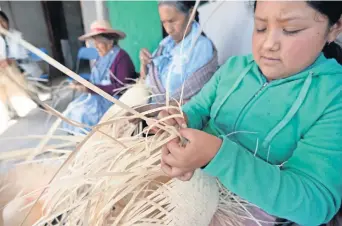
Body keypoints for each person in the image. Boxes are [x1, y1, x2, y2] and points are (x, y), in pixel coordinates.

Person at [156, 1, 342, 225]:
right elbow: (198, 109)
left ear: (334, 28)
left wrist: (217, 156)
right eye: (261, 27)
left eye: (291, 30)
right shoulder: (234, 68)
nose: (268, 44)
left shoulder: (334, 96)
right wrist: (179, 121)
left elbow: (315, 203)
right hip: (188, 192)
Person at [62, 20, 136, 134]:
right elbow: (97, 80)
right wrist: (83, 83)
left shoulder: (121, 58)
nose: (95, 46)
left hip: (112, 100)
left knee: (83, 113)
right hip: (97, 96)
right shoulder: (101, 57)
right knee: (72, 108)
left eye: (98, 42)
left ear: (110, 42)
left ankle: (87, 144)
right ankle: (77, 139)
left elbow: (121, 88)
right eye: (94, 42)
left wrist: (90, 88)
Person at [139, 1, 218, 105]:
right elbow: (146, 81)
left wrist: (151, 110)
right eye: (164, 22)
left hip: (176, 117)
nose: (168, 30)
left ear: (191, 14)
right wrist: (143, 64)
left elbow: (196, 98)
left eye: (172, 21)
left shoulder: (201, 47)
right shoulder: (165, 45)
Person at [0, 11, 43, 78]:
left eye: (3, 21)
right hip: (9, 77)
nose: (1, 25)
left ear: (7, 21)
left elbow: (27, 58)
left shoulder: (18, 36)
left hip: (27, 74)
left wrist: (12, 61)